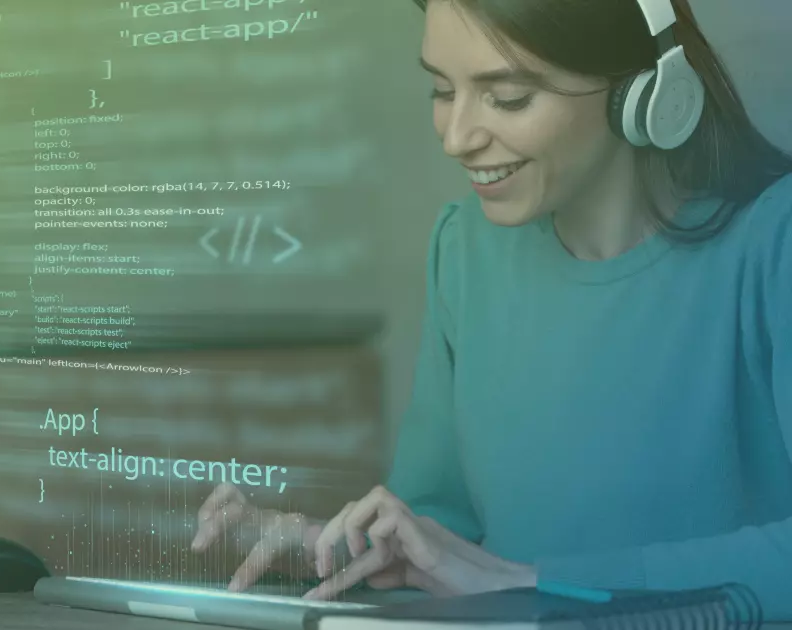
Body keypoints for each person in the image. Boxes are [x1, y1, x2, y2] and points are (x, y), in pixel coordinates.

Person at [190, 0, 792, 618]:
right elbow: (441, 534)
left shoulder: (772, 243)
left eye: (506, 99)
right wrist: (323, 547)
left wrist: (531, 580)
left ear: (647, 93)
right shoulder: (464, 249)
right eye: (442, 90)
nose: (458, 138)